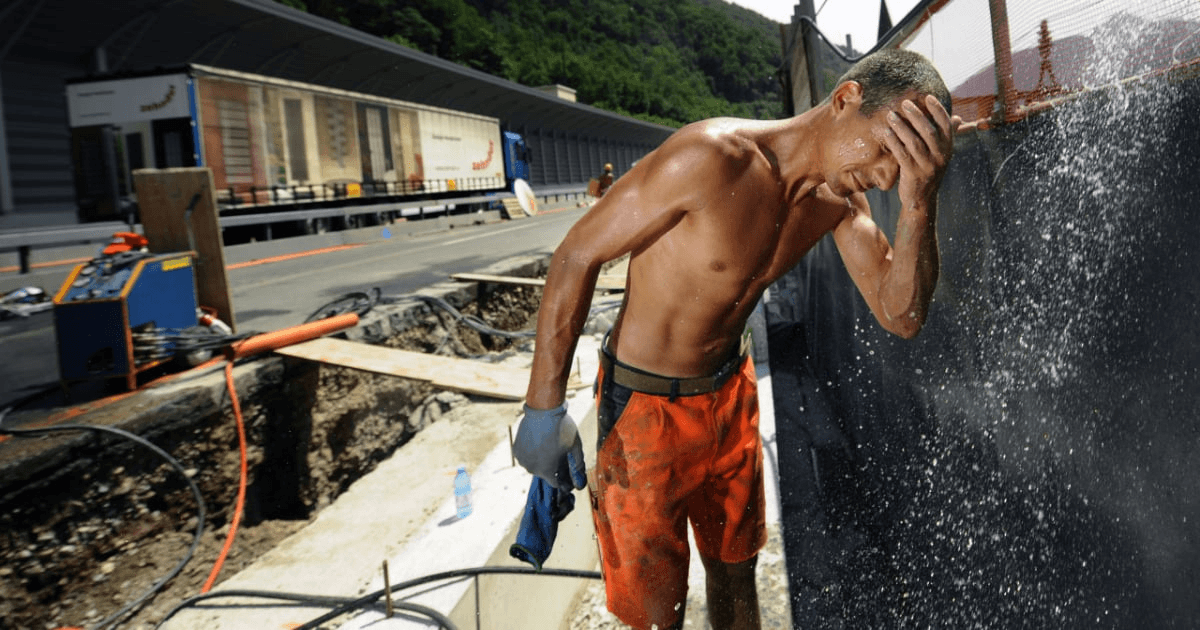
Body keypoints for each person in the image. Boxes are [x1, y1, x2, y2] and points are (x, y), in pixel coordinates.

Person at [513, 48, 960, 630]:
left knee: (735, 575)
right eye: (882, 151)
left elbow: (901, 316)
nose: (883, 178)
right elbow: (578, 253)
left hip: (731, 399)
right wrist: (543, 407)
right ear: (846, 99)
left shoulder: (836, 201)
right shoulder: (710, 159)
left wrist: (920, 202)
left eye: (900, 169)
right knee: (656, 613)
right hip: (646, 413)